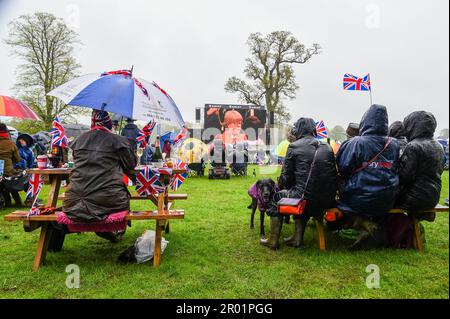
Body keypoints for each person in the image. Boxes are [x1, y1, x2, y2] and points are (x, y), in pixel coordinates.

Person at [262, 117, 338, 249]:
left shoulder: (293, 146)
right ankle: (297, 238)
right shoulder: (328, 147)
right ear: (314, 129)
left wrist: (281, 188)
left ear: (297, 130)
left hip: (305, 199)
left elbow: (285, 177)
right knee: (303, 193)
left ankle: (272, 240)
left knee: (277, 199)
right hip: (327, 200)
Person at [62, 110, 137, 241]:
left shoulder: (79, 140)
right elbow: (130, 165)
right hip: (108, 201)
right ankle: (112, 229)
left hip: (73, 201)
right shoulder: (118, 141)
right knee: (118, 194)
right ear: (109, 124)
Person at [336, 105, 400, 248]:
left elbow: (343, 168)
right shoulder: (394, 144)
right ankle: (370, 228)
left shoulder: (355, 143)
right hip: (388, 199)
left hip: (358, 199)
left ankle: (368, 226)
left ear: (365, 121)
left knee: (338, 190)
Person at [395, 111, 445, 219]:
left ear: (412, 125)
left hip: (413, 198)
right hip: (433, 196)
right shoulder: (439, 146)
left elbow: (405, 177)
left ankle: (398, 231)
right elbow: (440, 170)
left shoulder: (413, 146)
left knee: (383, 201)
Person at [0, 123, 23, 206]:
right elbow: (17, 159)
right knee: (12, 180)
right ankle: (17, 201)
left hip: (2, 174)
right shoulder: (11, 143)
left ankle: (7, 201)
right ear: (6, 133)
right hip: (8, 172)